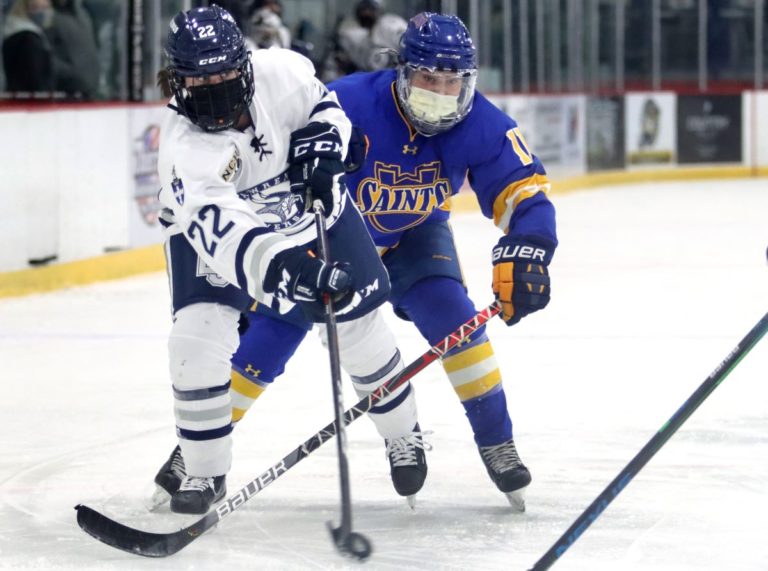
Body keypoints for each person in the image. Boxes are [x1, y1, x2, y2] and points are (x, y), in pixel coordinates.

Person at [153, 5, 425, 515]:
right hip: (212, 238)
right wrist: (293, 271)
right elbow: (230, 236)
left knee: (358, 329)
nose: (213, 87)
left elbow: (330, 113)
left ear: (246, 63)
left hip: (314, 213)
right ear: (178, 79)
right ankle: (205, 472)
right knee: (195, 337)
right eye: (199, 77)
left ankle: (402, 434)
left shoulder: (284, 71)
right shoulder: (185, 150)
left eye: (223, 73)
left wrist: (329, 146)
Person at [322, 0, 406, 81]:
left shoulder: (391, 25)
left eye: (370, 9)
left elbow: (408, 44)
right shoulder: (364, 38)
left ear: (379, 10)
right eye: (362, 9)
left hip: (400, 80)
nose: (366, 13)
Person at [47, 0, 100, 99]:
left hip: (90, 92)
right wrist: (72, 73)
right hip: (66, 94)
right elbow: (44, 56)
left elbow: (93, 48)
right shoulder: (48, 17)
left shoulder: (84, 15)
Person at [2, 0, 55, 93]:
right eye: (38, 8)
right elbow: (35, 78)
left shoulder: (12, 32)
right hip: (31, 100)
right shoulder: (29, 39)